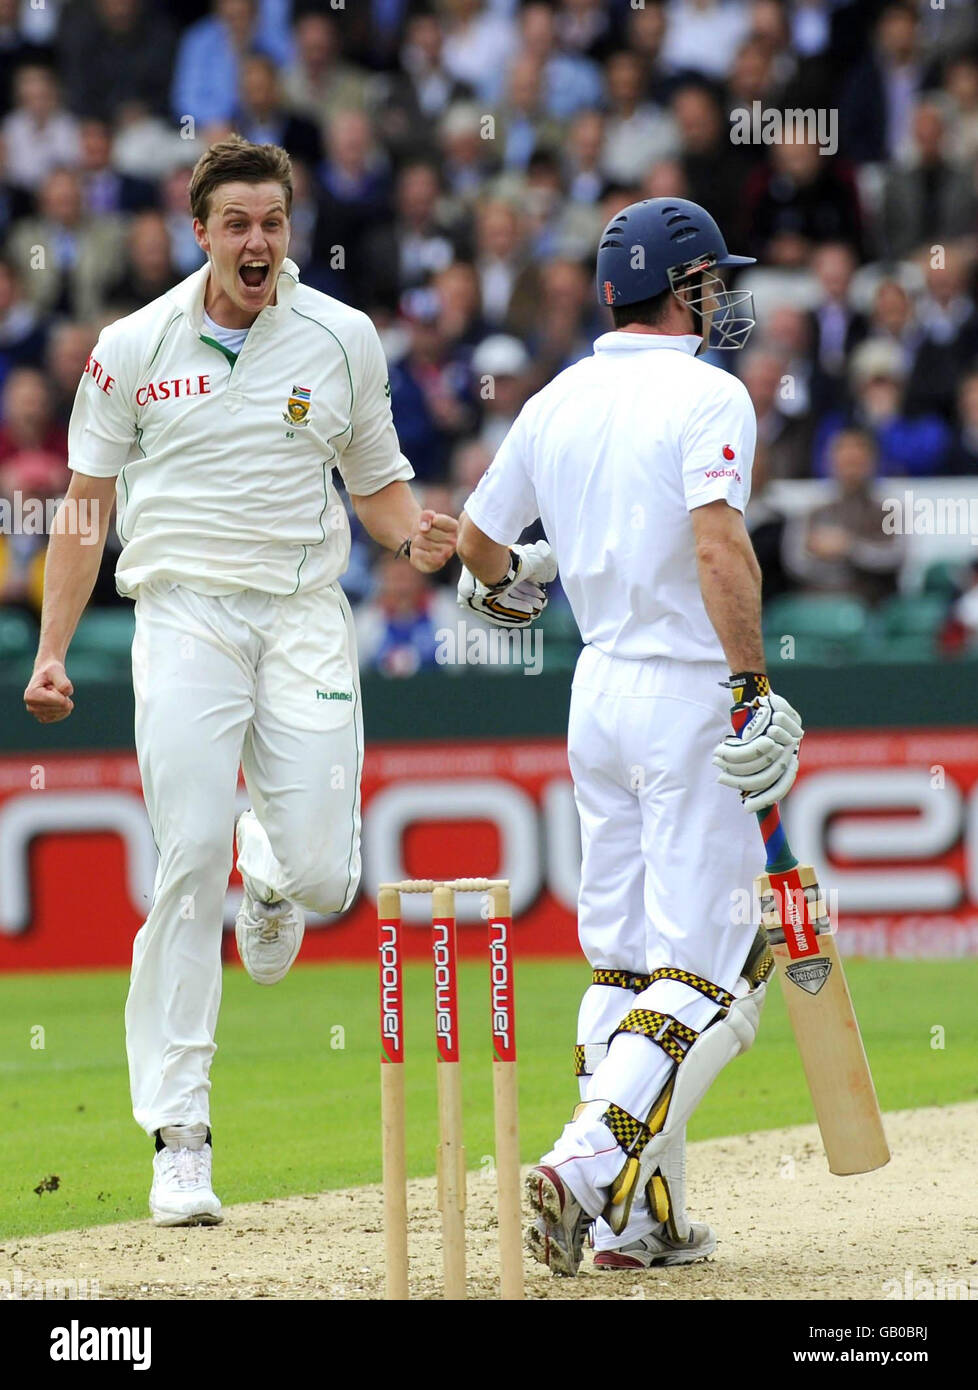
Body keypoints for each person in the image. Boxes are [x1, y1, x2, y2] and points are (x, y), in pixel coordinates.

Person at [23, 135, 457, 1228]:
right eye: (236, 225)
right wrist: (51, 649)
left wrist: (425, 544)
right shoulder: (132, 345)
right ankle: (180, 1137)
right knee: (183, 862)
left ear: (289, 229)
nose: (256, 242)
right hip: (182, 614)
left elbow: (381, 492)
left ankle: (270, 871)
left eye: (272, 223)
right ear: (199, 227)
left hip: (307, 614)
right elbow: (84, 506)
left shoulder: (343, 338)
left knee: (324, 881)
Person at [456, 196, 804, 1274]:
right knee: (715, 977)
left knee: (623, 965)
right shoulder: (710, 394)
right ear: (688, 287)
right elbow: (719, 549)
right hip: (686, 687)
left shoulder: (556, 398)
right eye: (714, 281)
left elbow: (475, 542)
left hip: (594, 694)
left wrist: (526, 583)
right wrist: (750, 685)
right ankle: (585, 1164)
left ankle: (642, 1222)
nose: (722, 297)